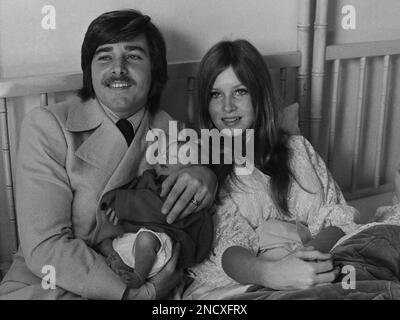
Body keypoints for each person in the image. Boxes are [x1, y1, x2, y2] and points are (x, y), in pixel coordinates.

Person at [0, 10, 217, 300]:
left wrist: (207, 175)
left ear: (155, 72)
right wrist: (132, 295)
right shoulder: (47, 126)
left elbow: (186, 218)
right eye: (104, 56)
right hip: (51, 282)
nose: (118, 68)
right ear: (89, 71)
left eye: (134, 56)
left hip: (149, 275)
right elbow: (45, 246)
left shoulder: (170, 129)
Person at [183, 39, 361, 298]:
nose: (228, 106)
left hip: (318, 267)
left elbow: (337, 216)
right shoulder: (202, 168)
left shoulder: (298, 149)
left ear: (259, 94)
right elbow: (225, 249)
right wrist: (274, 274)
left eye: (240, 91)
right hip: (244, 284)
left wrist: (308, 258)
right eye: (215, 94)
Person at [96, 141, 214, 289]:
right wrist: (112, 203)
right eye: (165, 152)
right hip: (132, 241)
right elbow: (131, 191)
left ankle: (138, 276)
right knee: (103, 243)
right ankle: (119, 262)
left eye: (176, 155)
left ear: (193, 170)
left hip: (160, 248)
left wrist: (122, 203)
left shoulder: (182, 190)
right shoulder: (149, 178)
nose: (165, 156)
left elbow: (159, 207)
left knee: (146, 239)